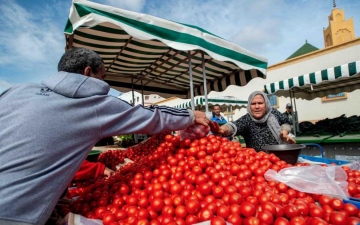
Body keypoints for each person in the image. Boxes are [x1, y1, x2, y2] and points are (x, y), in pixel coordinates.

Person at [0, 47, 211, 225]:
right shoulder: (92, 103)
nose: (104, 85)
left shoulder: (16, 92)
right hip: (15, 215)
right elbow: (150, 118)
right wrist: (191, 115)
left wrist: (48, 201)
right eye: (102, 77)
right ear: (87, 72)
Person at [212, 91, 296, 151]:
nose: (257, 106)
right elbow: (233, 127)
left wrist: (284, 133)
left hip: (279, 158)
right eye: (253, 104)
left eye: (260, 103)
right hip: (258, 164)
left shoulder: (273, 113)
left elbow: (285, 122)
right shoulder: (247, 119)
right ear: (249, 106)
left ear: (266, 104)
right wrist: (222, 129)